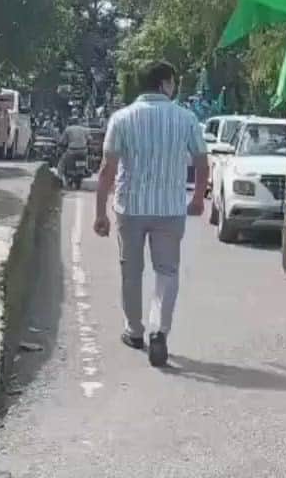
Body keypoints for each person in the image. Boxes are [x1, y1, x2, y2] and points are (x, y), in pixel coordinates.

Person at [94, 61, 209, 368]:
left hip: (130, 208)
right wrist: (197, 197)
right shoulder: (186, 119)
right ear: (164, 84)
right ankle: (159, 330)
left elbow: (108, 169)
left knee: (131, 271)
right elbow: (201, 161)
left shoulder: (122, 118)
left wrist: (100, 213)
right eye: (173, 82)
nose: (174, 88)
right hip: (170, 209)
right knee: (167, 272)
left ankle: (134, 331)